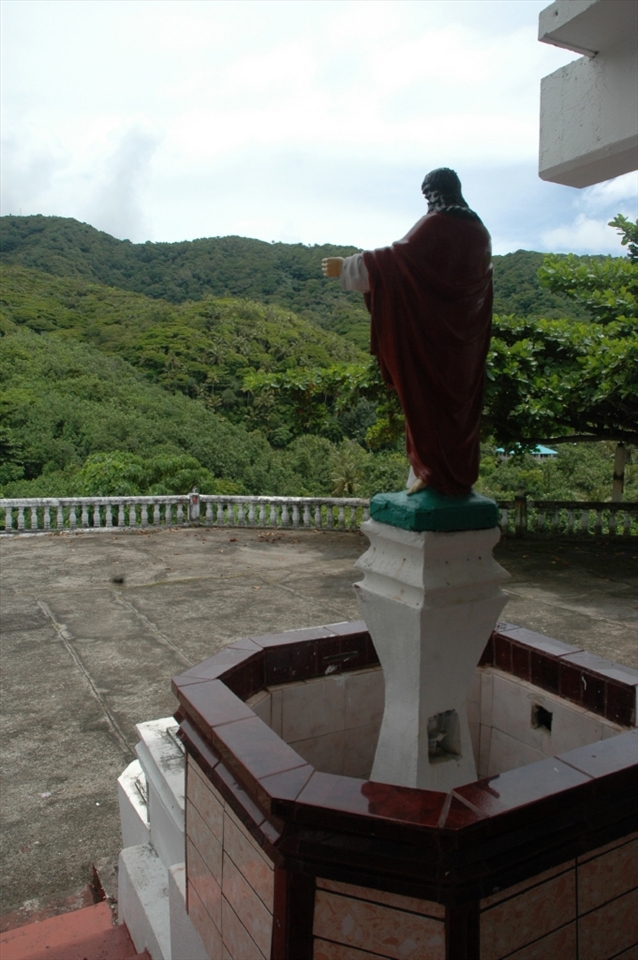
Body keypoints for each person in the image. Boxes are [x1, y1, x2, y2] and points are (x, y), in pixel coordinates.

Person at [322, 168, 493, 497]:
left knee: (425, 403)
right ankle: (457, 474)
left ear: (435, 193)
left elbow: (397, 262)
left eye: (428, 195)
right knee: (459, 411)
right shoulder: (480, 232)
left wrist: (346, 267)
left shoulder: (437, 224)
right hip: (466, 345)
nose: (428, 202)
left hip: (433, 344)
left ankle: (431, 470)